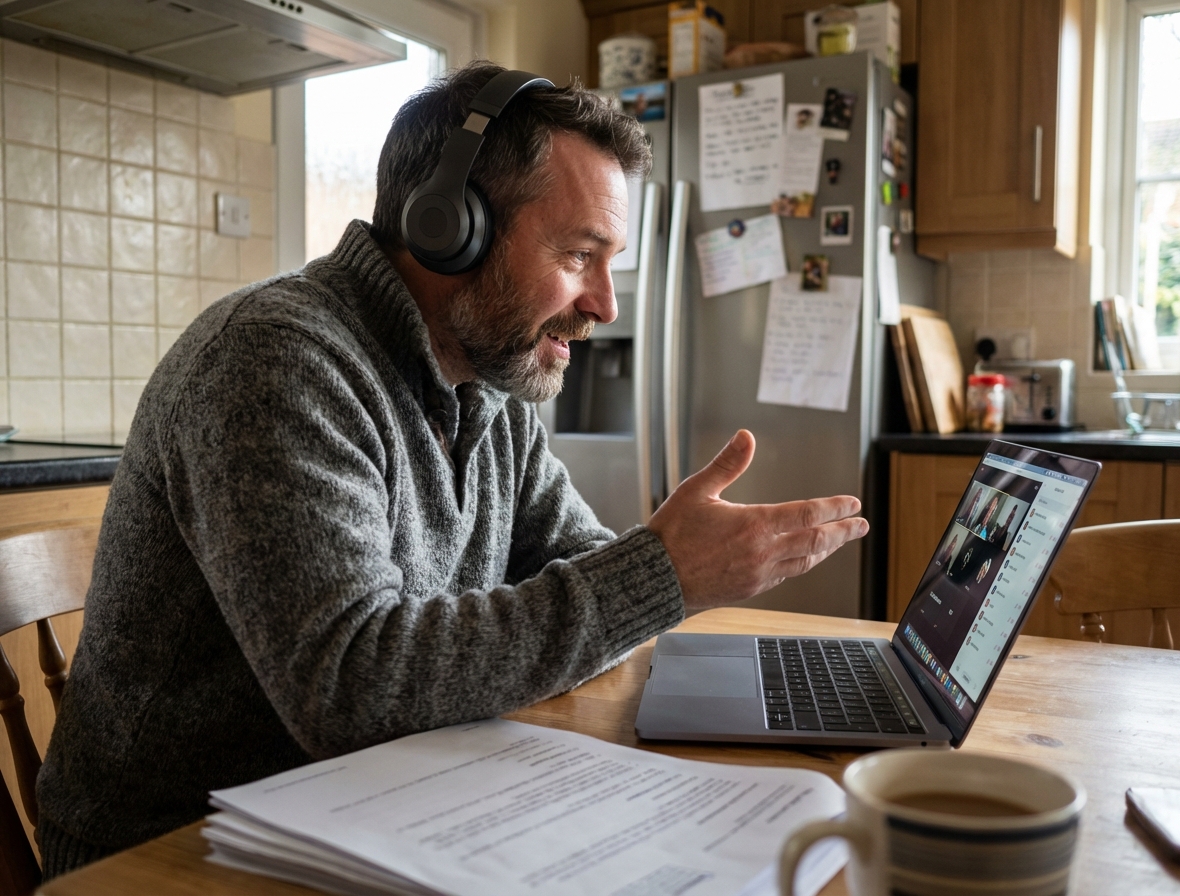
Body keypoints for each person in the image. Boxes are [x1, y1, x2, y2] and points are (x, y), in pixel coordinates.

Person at [35, 62, 867, 876]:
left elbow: (579, 566)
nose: (606, 306)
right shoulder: (273, 361)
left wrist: (660, 573)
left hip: (382, 803)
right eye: (579, 255)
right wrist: (661, 573)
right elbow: (351, 686)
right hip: (176, 847)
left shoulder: (487, 382)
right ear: (448, 228)